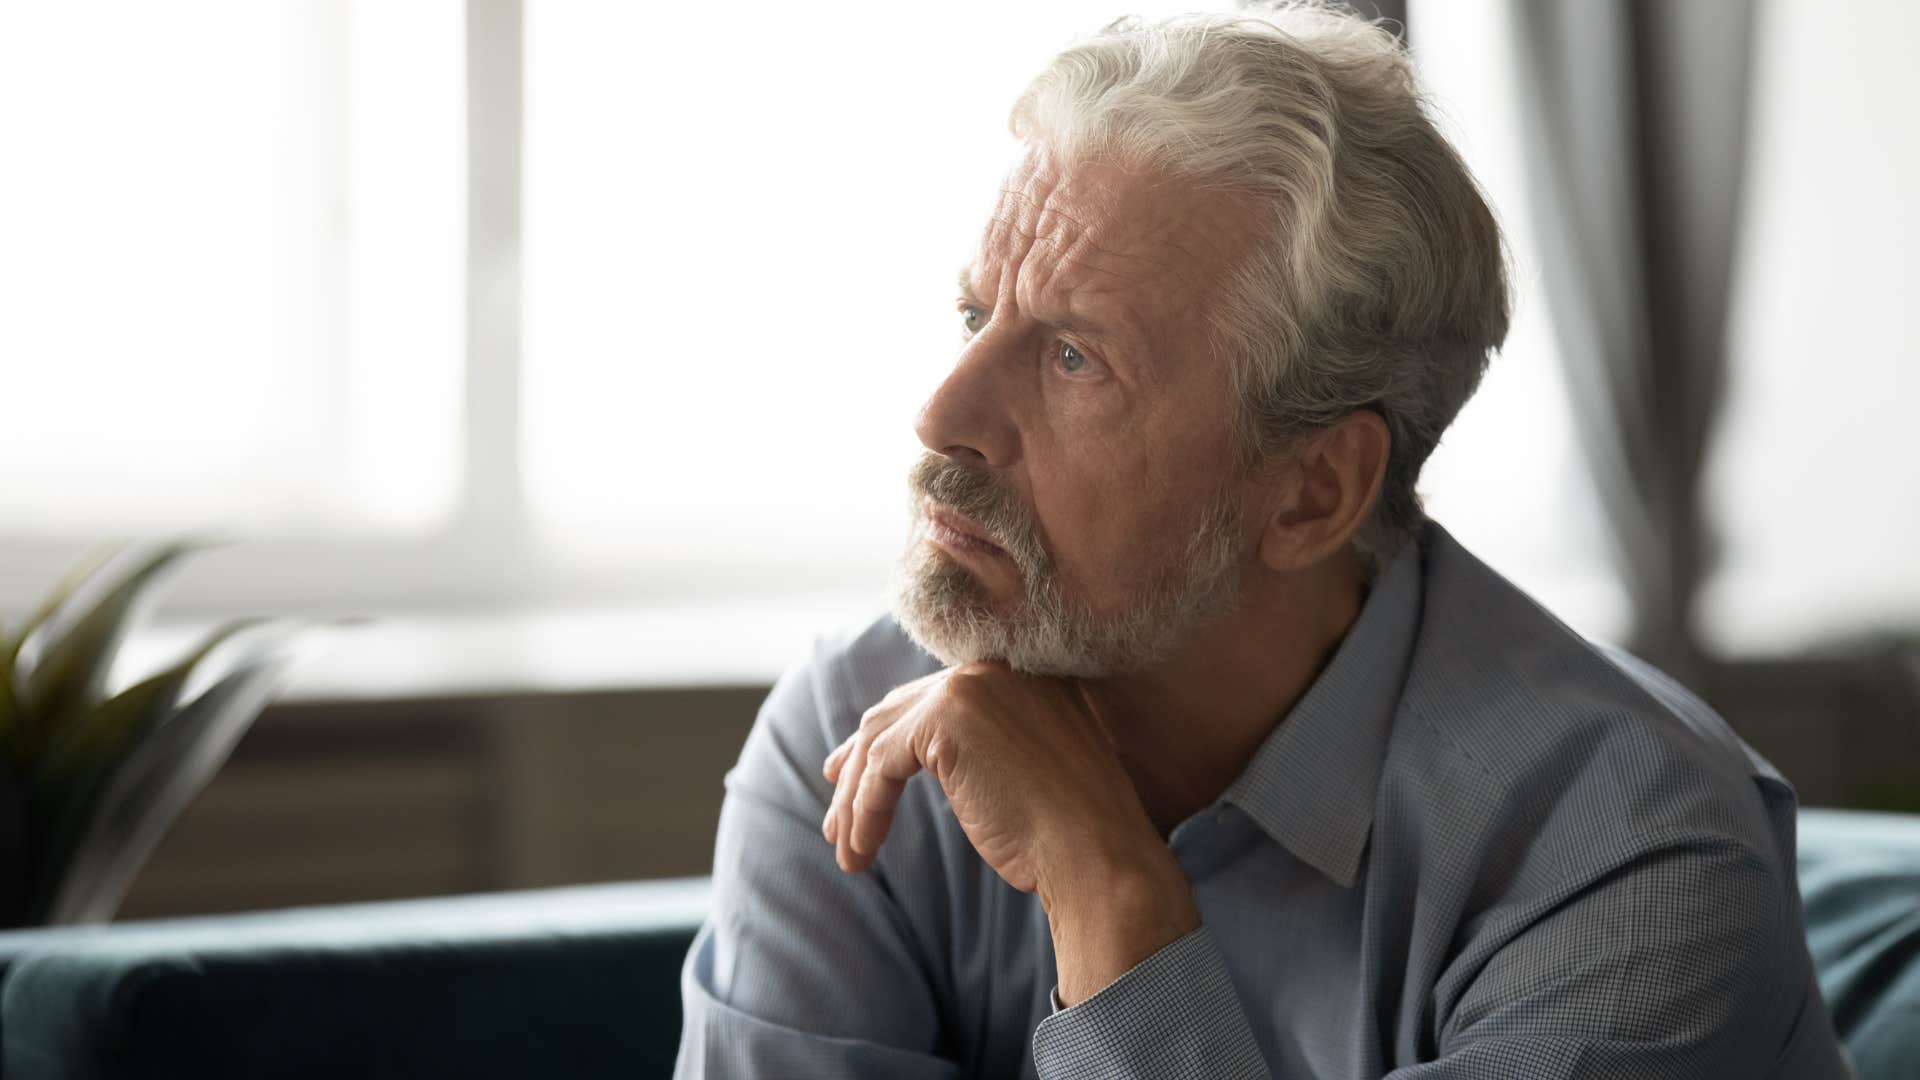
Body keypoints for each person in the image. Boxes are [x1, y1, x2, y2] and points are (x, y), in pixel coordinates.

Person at [673, 5, 1848, 1077]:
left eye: (1077, 356)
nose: (944, 414)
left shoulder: (1634, 865)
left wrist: (1108, 889)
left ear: (1309, 495)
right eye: (981, 316)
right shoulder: (858, 734)